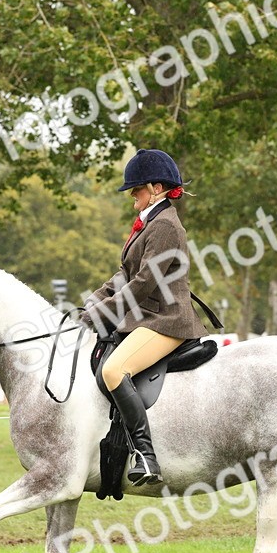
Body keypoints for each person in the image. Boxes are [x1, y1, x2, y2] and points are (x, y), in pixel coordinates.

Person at [80, 149, 208, 485]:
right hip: (148, 317)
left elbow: (143, 283)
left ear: (155, 187)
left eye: (135, 189)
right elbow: (125, 273)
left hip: (166, 319)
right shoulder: (149, 223)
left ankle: (145, 456)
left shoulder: (164, 225)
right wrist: (94, 301)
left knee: (113, 369)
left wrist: (105, 313)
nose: (132, 195)